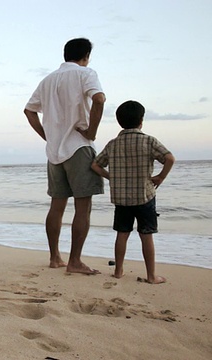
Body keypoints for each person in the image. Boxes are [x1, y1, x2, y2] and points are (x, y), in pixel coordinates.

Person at [24, 38, 106, 274]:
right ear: (86, 56)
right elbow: (99, 99)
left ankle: (55, 258)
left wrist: (48, 136)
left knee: (57, 206)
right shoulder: (85, 73)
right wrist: (92, 132)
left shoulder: (48, 80)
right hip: (78, 147)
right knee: (83, 208)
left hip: (54, 152)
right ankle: (75, 262)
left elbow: (29, 111)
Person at [91, 100, 175, 284]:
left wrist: (110, 177)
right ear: (141, 120)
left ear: (119, 121)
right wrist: (160, 177)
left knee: (122, 234)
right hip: (144, 196)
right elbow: (169, 158)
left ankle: (119, 271)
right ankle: (151, 276)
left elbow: (95, 164)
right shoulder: (148, 140)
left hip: (121, 199)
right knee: (146, 236)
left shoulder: (113, 144)